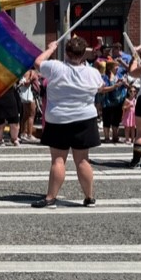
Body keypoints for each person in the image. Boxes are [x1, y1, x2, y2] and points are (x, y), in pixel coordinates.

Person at [31, 37, 103, 208]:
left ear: (66, 52)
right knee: (83, 160)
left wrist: (50, 48)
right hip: (85, 118)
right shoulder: (92, 72)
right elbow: (99, 87)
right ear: (82, 53)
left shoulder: (55, 67)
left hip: (59, 119)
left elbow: (38, 62)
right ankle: (89, 197)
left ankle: (51, 198)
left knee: (58, 160)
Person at [18, 69, 39, 143]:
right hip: (29, 96)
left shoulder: (23, 70)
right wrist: (31, 79)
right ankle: (29, 134)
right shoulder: (29, 72)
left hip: (25, 95)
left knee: (25, 115)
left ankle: (23, 133)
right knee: (31, 115)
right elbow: (25, 82)